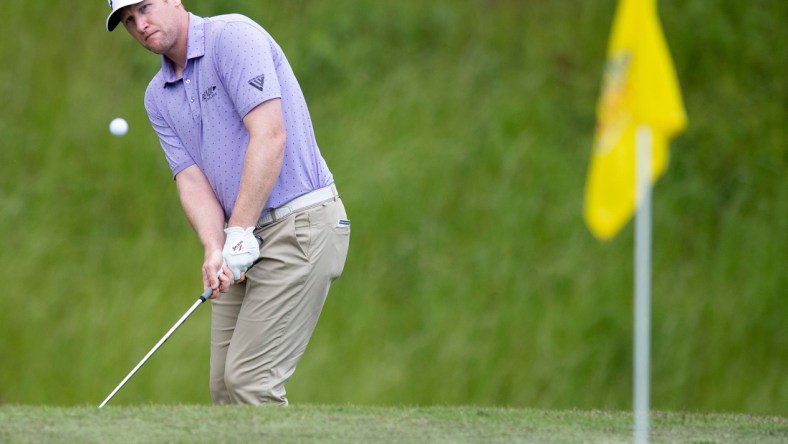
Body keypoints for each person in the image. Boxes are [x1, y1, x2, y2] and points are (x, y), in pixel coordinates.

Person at [106, 0, 350, 405]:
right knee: (224, 389)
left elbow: (270, 136)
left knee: (250, 383)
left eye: (145, 7)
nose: (140, 24)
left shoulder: (232, 37)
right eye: (129, 20)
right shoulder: (157, 96)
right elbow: (191, 179)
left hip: (299, 225)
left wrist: (238, 231)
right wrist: (215, 246)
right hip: (244, 237)